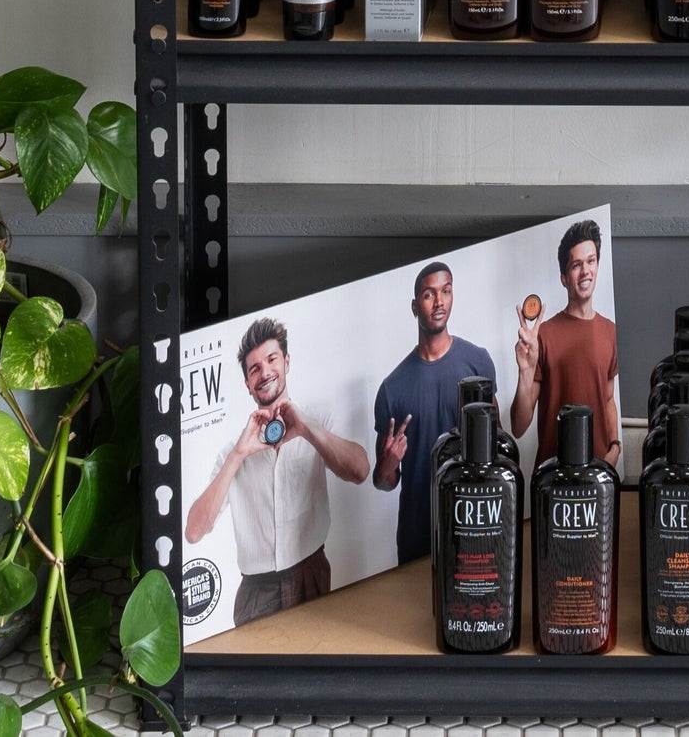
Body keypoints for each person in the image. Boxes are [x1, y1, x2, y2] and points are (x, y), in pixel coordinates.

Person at [184, 315, 371, 623]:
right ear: (247, 384)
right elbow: (193, 532)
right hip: (256, 592)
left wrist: (308, 430)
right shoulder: (233, 450)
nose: (265, 372)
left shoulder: (317, 421)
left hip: (311, 575)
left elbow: (360, 471)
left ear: (286, 361)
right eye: (254, 368)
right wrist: (238, 455)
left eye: (271, 360)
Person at [367, 259, 502, 569]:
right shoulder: (393, 388)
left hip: (475, 526)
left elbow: (499, 448)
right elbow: (384, 482)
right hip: (418, 536)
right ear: (415, 307)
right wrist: (387, 464)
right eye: (429, 294)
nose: (439, 301)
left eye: (446, 291)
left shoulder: (478, 362)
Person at [508, 220, 619, 466]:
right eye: (576, 265)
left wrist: (615, 447)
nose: (585, 271)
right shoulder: (543, 336)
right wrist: (525, 371)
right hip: (554, 480)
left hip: (599, 475)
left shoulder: (610, 331)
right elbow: (518, 426)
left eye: (591, 261)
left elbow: (608, 398)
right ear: (564, 278)